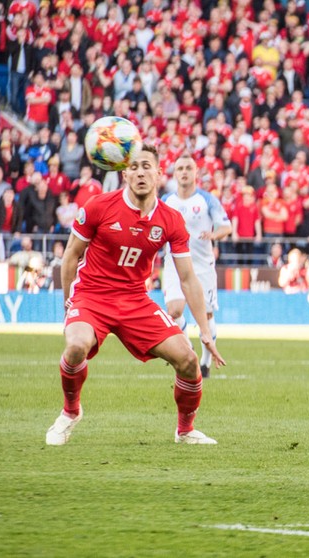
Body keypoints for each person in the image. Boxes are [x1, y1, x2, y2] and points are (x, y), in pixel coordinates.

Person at [46, 145, 226, 446]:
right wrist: (69, 304)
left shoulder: (170, 220)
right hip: (92, 295)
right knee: (76, 346)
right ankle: (70, 412)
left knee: (189, 360)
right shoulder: (97, 206)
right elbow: (70, 257)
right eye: (134, 167)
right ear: (124, 173)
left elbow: (187, 278)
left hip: (135, 299)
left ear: (158, 173)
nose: (140, 172)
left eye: (147, 166)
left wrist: (205, 332)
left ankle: (185, 430)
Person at [160, 154, 232, 379]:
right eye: (179, 168)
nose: (183, 172)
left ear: (196, 173)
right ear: (174, 173)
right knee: (174, 310)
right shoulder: (166, 200)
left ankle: (205, 362)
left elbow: (226, 226)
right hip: (174, 263)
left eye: (188, 168)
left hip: (202, 265)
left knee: (206, 314)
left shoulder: (207, 200)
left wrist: (214, 234)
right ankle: (188, 352)